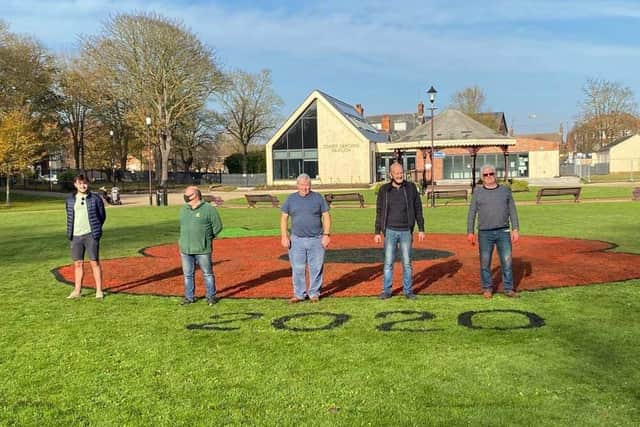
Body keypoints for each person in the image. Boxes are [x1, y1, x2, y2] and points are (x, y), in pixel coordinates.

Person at [467, 165, 520, 299]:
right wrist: (470, 231)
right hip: (485, 233)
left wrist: (515, 228)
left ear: (495, 175)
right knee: (485, 263)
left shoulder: (505, 190)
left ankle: (508, 288)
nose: (489, 176)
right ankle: (487, 288)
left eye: (491, 174)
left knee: (507, 261)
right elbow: (472, 213)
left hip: (503, 231)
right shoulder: (477, 192)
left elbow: (512, 210)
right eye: (485, 175)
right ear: (482, 178)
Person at [374, 162, 425, 299]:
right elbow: (379, 211)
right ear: (391, 174)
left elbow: (418, 208)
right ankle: (386, 290)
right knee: (388, 262)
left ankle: (408, 291)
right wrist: (377, 231)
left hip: (406, 231)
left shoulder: (411, 188)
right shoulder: (384, 190)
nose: (399, 175)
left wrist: (421, 229)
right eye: (396, 173)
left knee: (407, 263)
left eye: (401, 172)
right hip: (389, 231)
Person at [280, 173, 331, 303]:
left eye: (307, 185)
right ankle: (299, 294)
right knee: (297, 268)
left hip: (316, 239)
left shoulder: (318, 198)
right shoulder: (290, 199)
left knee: (316, 267)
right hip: (296, 240)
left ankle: (314, 293)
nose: (305, 188)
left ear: (310, 185)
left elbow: (326, 216)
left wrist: (326, 234)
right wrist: (284, 236)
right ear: (297, 185)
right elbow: (284, 218)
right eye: (302, 185)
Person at [179, 185, 223, 305]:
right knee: (188, 274)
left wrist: (207, 238)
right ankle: (189, 297)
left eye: (188, 195)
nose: (186, 197)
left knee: (207, 273)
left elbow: (217, 226)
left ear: (196, 195)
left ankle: (211, 296)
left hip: (202, 249)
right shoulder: (184, 209)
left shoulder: (208, 209)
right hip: (185, 249)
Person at [65, 174, 106, 299]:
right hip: (76, 236)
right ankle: (77, 291)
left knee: (94, 262)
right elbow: (70, 216)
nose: (83, 186)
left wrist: (95, 229)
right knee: (78, 263)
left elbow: (102, 216)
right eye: (80, 183)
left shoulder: (95, 198)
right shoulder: (70, 200)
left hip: (91, 235)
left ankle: (99, 290)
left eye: (85, 183)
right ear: (75, 184)